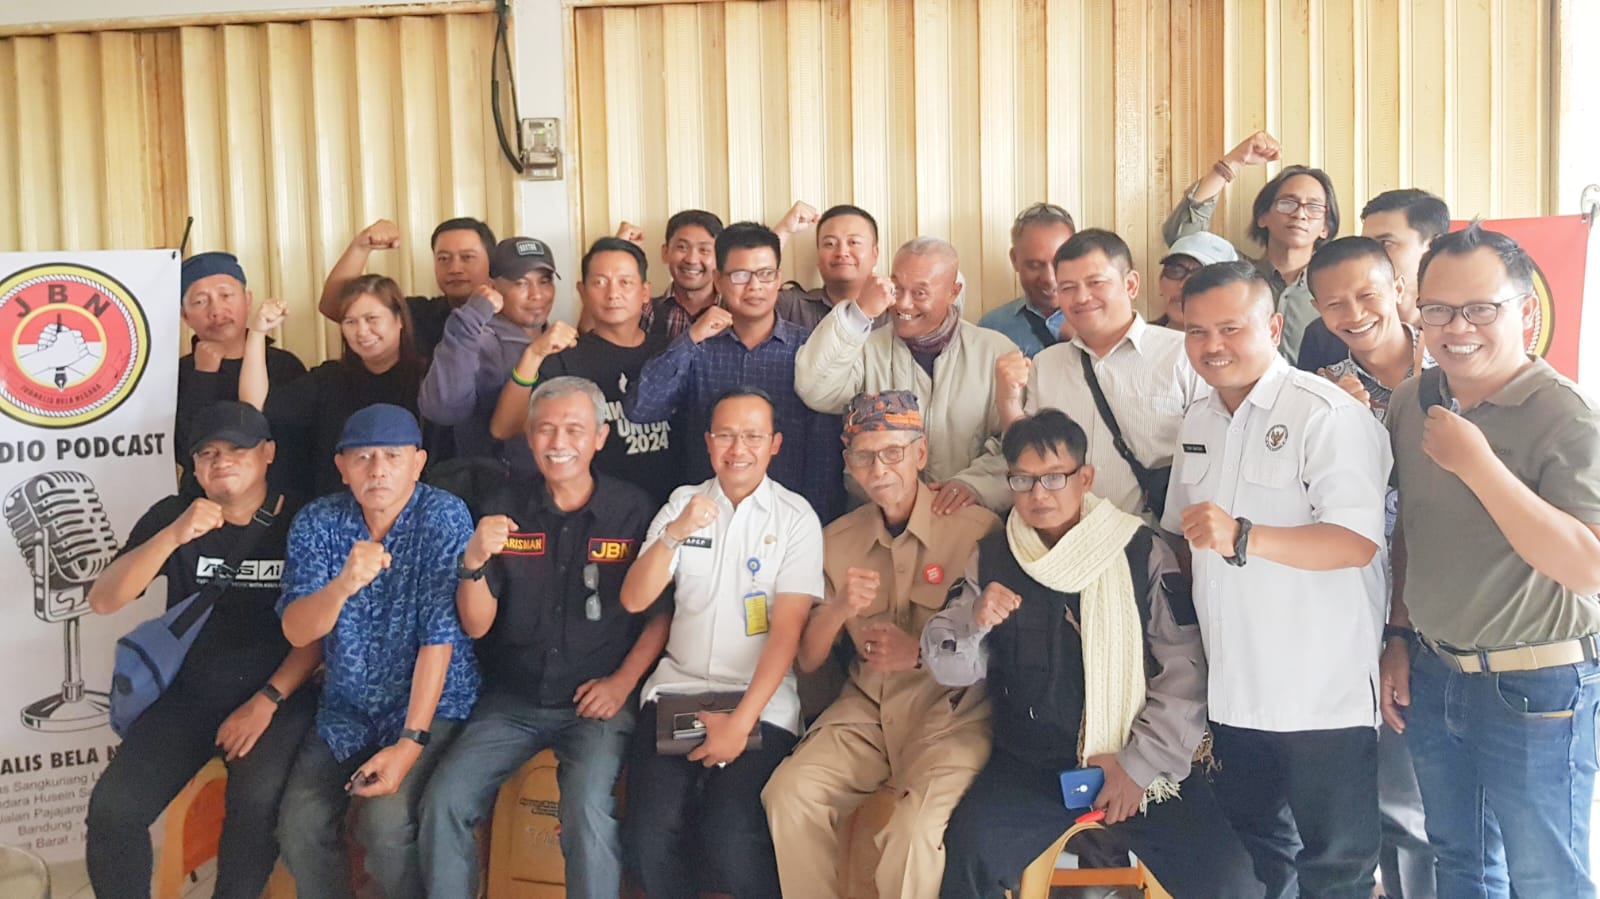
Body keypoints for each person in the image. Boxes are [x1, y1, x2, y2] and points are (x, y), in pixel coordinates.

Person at [929, 410, 1261, 899]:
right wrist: (973, 623)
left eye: (1054, 477)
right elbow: (948, 669)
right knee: (966, 860)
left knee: (1231, 882)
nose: (1038, 494)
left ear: (1085, 477)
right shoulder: (993, 558)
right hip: (1032, 765)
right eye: (1023, 479)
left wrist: (1137, 767)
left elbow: (1185, 669)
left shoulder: (1139, 550)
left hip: (1140, 764)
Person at [1383, 224, 1600, 899]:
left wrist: (1478, 465)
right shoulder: (1413, 399)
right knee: (1460, 862)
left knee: (1546, 876)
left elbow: (1588, 566)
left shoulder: (1564, 414)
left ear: (1526, 311)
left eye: (1481, 308)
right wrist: (1397, 636)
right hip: (1435, 671)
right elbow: (1410, 529)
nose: (1458, 327)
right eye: (1439, 310)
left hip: (1537, 687)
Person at [1165, 262, 1390, 899]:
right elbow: (1182, 535)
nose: (1212, 346)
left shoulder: (1325, 414)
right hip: (1232, 689)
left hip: (1321, 693)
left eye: (1230, 328)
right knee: (1260, 860)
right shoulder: (1198, 419)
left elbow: (1355, 542)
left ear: (1272, 326)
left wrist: (1244, 537)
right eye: (1196, 331)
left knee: (1336, 871)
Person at [420, 377, 669, 899]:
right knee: (444, 801)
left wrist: (622, 684)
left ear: (600, 437)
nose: (559, 442)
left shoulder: (633, 509)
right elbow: (476, 624)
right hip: (512, 701)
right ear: (529, 436)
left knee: (585, 810)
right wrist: (473, 560)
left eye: (574, 429)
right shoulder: (502, 506)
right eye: (546, 429)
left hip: (596, 701)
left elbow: (660, 615)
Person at [763, 391, 998, 899]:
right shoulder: (836, 540)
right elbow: (808, 658)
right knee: (789, 793)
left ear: (920, 453)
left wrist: (921, 653)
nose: (879, 469)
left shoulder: (976, 530)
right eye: (865, 456)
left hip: (951, 715)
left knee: (913, 832)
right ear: (849, 465)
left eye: (893, 452)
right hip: (866, 712)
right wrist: (839, 608)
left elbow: (1007, 646)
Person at [85, 402, 319, 899]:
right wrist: (172, 537)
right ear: (193, 466)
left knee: (255, 802)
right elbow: (104, 600)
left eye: (237, 449)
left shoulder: (302, 518)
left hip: (276, 696)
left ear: (268, 453)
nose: (222, 461)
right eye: (208, 453)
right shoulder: (175, 514)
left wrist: (267, 701)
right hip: (190, 696)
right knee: (113, 810)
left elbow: (320, 632)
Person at [618, 389, 824, 899]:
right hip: (680, 694)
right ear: (709, 443)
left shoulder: (795, 517)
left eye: (753, 436)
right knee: (648, 832)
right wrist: (676, 533)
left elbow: (788, 630)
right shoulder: (683, 504)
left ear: (774, 444)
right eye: (726, 436)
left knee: (730, 832)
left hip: (759, 703)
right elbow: (634, 598)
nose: (738, 449)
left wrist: (740, 723)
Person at [274, 404, 479, 899]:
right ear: (342, 467)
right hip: (346, 710)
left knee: (383, 827)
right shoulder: (317, 522)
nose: (378, 469)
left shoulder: (443, 515)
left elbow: (439, 640)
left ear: (418, 462)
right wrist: (342, 585)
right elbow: (298, 631)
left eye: (392, 456)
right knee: (299, 826)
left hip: (431, 709)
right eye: (362, 457)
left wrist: (409, 743)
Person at [1305, 236, 1436, 899]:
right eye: (1335, 304)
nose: (1353, 314)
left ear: (1399, 290)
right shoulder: (1322, 394)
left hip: (1466, 603)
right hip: (1380, 613)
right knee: (1400, 797)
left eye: (1367, 295)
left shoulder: (1457, 364)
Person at [625, 222, 844, 522]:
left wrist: (815, 521)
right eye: (740, 275)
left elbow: (824, 451)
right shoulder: (698, 346)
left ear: (778, 278)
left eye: (765, 274)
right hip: (707, 517)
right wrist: (690, 339)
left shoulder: (807, 349)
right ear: (718, 279)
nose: (754, 286)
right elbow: (641, 408)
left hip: (788, 517)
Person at [987, 229, 1204, 519]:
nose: (1081, 297)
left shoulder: (1184, 355)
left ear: (1131, 284)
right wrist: (1007, 402)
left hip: (1155, 537)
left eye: (1095, 283)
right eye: (1067, 287)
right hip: (1070, 537)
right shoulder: (1046, 363)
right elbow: (1031, 457)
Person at [794, 237, 1017, 515]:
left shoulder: (995, 352)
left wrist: (975, 484)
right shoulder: (865, 349)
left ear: (953, 291)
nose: (903, 304)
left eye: (920, 293)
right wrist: (859, 314)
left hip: (966, 520)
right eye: (897, 288)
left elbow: (1016, 442)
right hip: (876, 520)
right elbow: (814, 390)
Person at [491, 238, 679, 504]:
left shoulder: (671, 353)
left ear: (645, 291)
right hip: (600, 513)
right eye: (599, 282)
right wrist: (533, 355)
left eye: (625, 282)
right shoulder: (565, 359)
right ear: (582, 291)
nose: (613, 294)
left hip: (673, 505)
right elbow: (504, 429)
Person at [241, 274, 428, 497]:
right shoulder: (329, 378)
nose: (361, 331)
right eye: (350, 322)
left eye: (372, 318)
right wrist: (257, 333)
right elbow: (255, 406)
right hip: (337, 508)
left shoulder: (429, 379)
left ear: (400, 320)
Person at [1163, 130, 1339, 365]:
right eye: (1288, 203)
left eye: (1314, 207)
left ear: (1325, 227)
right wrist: (1233, 162)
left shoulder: (1335, 288)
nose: (1300, 214)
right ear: (1263, 216)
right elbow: (1184, 237)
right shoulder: (1235, 272)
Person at [417, 236, 558, 478]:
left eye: (544, 282)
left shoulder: (558, 336)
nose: (536, 295)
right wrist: (470, 319)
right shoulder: (481, 341)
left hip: (556, 487)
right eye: (521, 283)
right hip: (494, 487)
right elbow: (443, 409)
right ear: (493, 287)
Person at [175, 252, 307, 493]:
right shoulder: (177, 375)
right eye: (200, 302)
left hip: (280, 501)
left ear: (247, 300)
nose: (216, 310)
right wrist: (203, 377)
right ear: (185, 316)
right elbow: (184, 451)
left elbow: (302, 443)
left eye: (226, 296)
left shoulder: (283, 365)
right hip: (203, 504)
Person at [1298, 189, 1452, 373]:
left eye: (1385, 243)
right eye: (1365, 243)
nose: (1369, 254)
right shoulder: (1325, 336)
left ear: (1433, 248)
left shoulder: (1459, 325)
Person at [317, 217, 496, 357]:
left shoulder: (509, 312)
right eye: (443, 258)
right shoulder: (422, 315)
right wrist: (362, 246)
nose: (455, 269)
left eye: (467, 257)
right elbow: (335, 307)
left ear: (491, 262)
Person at [977, 203, 1077, 356]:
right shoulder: (992, 328)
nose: (1049, 278)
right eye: (1035, 265)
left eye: (1059, 263)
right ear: (1014, 259)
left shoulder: (1104, 323)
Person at [774, 203, 887, 331]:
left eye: (854, 242)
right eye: (830, 244)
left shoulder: (895, 311)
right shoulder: (793, 306)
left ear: (875, 254)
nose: (842, 252)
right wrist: (783, 230)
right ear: (818, 254)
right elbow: (756, 284)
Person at [619, 210, 724, 338]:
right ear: (665, 253)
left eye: (704, 250)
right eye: (682, 247)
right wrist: (620, 251)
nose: (691, 259)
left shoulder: (735, 312)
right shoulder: (645, 312)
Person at [1151, 231, 1239, 330]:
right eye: (1176, 271)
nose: (1184, 285)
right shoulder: (1140, 337)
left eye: (1202, 277)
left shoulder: (1243, 339)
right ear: (1160, 282)